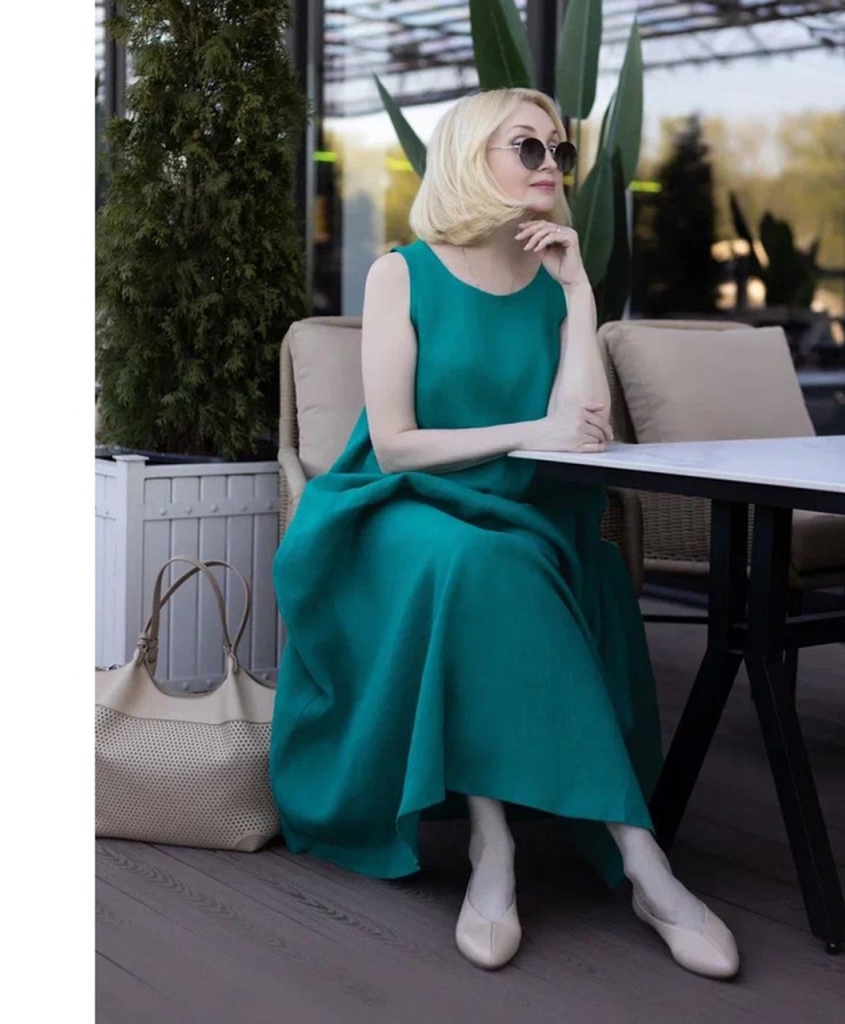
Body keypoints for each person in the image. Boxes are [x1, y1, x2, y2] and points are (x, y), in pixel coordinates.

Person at [269, 87, 739, 979]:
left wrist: (579, 290)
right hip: (395, 510)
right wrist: (530, 431)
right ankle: (620, 858)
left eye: (559, 151)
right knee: (476, 562)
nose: (550, 165)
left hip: (524, 514)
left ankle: (517, 849)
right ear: (469, 156)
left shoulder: (557, 282)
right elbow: (397, 444)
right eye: (528, 147)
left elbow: (583, 430)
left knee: (504, 561)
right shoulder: (402, 272)